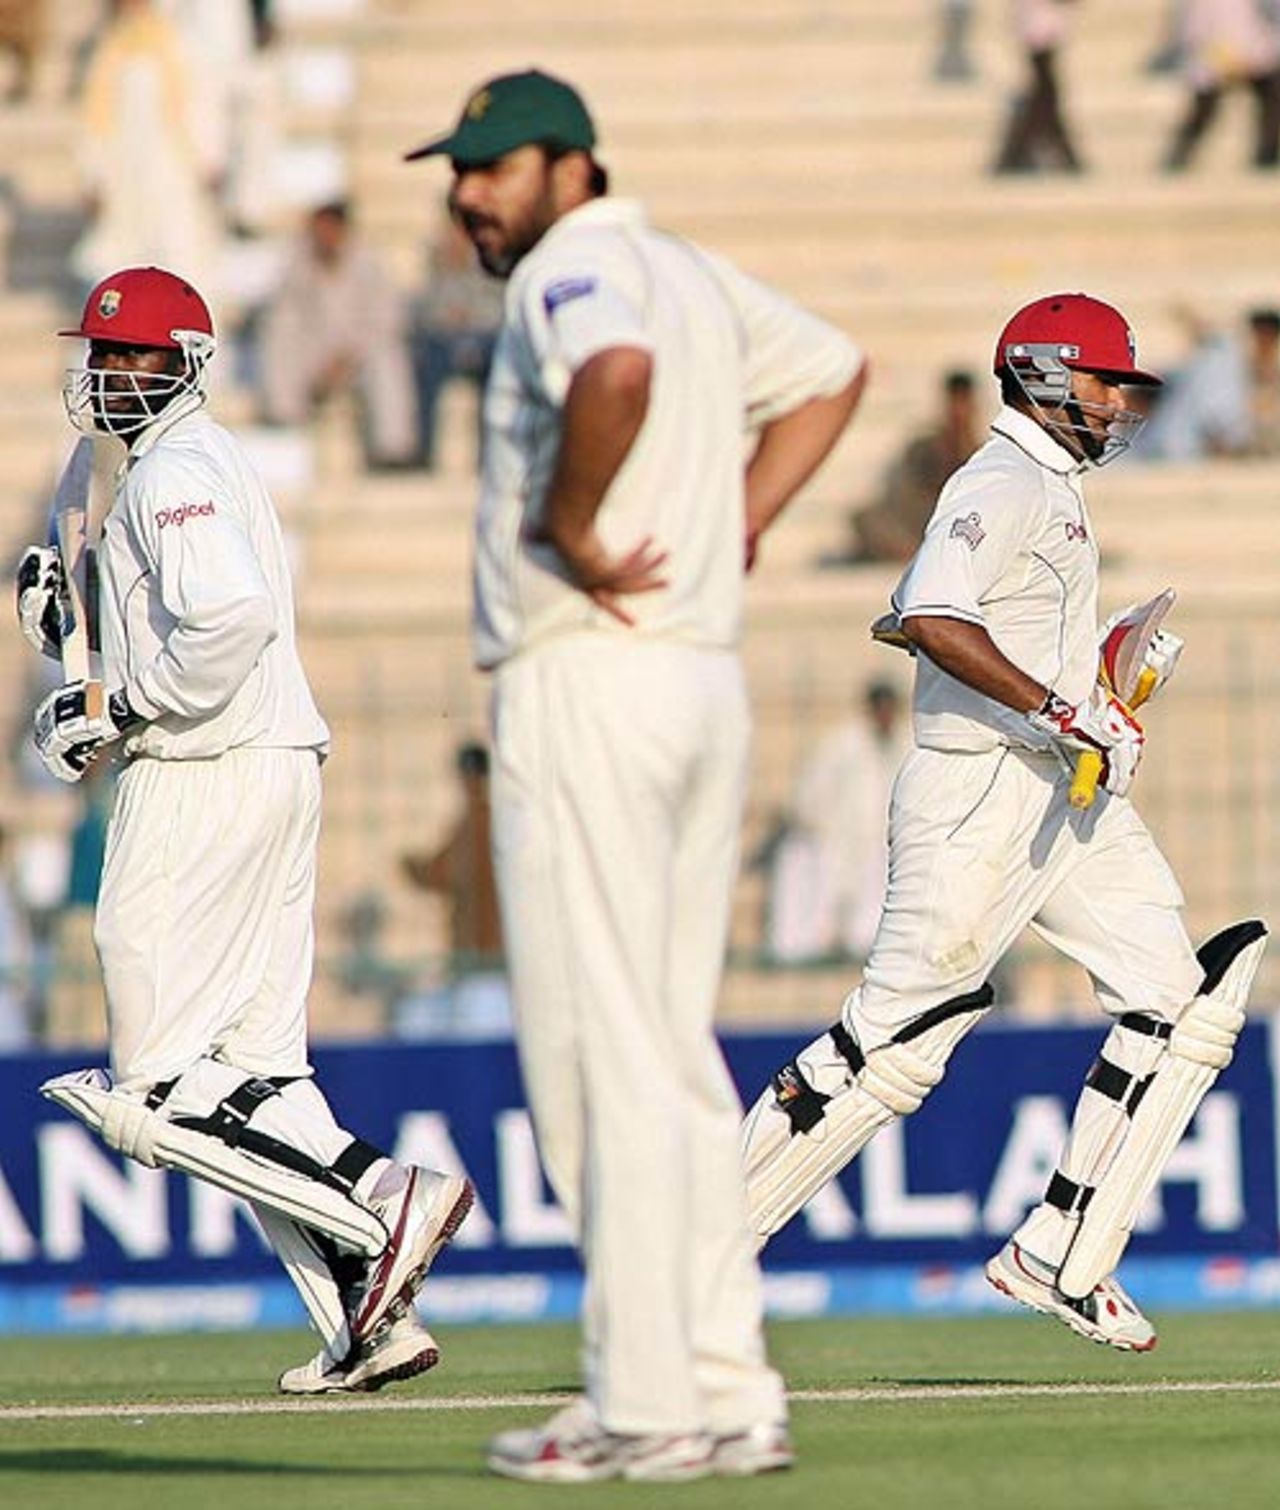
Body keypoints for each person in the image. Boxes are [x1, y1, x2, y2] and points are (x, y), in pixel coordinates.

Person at [405, 68, 866, 1482]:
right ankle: (727, 1389)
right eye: (458, 171)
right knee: (669, 1059)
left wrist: (570, 521)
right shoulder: (688, 268)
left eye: (493, 166)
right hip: (694, 678)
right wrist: (736, 523)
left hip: (587, 677)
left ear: (571, 166)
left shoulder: (575, 276)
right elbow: (833, 368)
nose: (469, 194)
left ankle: (645, 1398)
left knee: (600, 1062)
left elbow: (616, 375)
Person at [739, 292, 1267, 1355]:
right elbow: (927, 612)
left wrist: (1096, 686)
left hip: (1059, 791)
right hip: (976, 790)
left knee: (1185, 1003)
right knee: (894, 1048)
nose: (1120, 402)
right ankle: (689, 1264)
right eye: (1104, 381)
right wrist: (1061, 706)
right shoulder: (1001, 478)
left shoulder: (1054, 488)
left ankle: (1061, 1251)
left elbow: (994, 633)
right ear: (1040, 374)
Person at [19, 264, 472, 1395]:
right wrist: (67, 641)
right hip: (258, 763)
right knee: (257, 1077)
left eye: (142, 357)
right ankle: (366, 1321)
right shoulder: (121, 466)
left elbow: (229, 621)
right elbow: (136, 615)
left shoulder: (178, 467)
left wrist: (119, 706)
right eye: (106, 354)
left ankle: (380, 1213)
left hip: (207, 774)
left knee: (155, 1089)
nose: (118, 374)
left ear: (190, 365)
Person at [71, 0, 222, 295]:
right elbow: (96, 120)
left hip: (171, 167)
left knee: (179, 249)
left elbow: (200, 107)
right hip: (124, 172)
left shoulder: (180, 44)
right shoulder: (110, 49)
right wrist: (92, 173)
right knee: (122, 259)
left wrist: (208, 157)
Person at [258, 200, 420, 469]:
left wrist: (347, 357)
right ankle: (284, 420)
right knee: (280, 336)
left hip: (358, 354)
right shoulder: (298, 263)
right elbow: (283, 314)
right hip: (314, 354)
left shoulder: (369, 263)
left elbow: (386, 321)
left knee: (388, 358)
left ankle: (392, 449)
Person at [765, 680, 911, 964]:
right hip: (837, 837)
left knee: (874, 907)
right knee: (822, 895)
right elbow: (811, 792)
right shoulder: (842, 743)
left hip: (882, 839)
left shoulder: (907, 741)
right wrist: (819, 827)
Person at [399, 740, 510, 1037]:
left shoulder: (479, 821)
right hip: (489, 968)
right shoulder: (492, 818)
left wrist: (409, 864)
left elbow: (442, 873)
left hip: (484, 967)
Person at [837, 368, 982, 563]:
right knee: (868, 519)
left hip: (960, 529)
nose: (958, 411)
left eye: (963, 402)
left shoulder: (984, 452)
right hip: (915, 526)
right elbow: (904, 497)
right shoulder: (923, 447)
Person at [411, 206, 504, 471]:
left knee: (496, 361)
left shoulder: (490, 257)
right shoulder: (437, 261)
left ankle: (489, 455)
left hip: (483, 338)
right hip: (444, 342)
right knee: (425, 361)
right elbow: (423, 309)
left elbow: (500, 305)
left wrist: (470, 317)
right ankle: (422, 451)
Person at [1163, 0, 1280, 170]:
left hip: (1254, 48)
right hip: (1212, 53)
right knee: (1203, 108)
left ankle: (1267, 156)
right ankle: (1178, 158)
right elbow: (1190, 24)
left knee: (1272, 100)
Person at [992, 0, 1085, 174]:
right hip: (1039, 25)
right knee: (1045, 93)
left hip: (1042, 24)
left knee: (1045, 93)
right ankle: (1015, 154)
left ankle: (1014, 154)